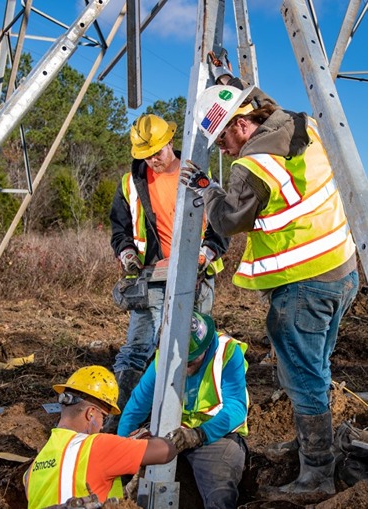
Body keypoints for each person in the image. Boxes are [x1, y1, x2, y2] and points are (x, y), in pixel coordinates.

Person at [179, 52, 359, 502]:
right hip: (342, 271)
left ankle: (316, 473)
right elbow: (256, 99)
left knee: (303, 377)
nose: (224, 151)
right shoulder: (294, 122)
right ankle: (308, 446)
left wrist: (206, 188)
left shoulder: (254, 164)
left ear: (241, 125)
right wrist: (226, 78)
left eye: (223, 141)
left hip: (305, 284)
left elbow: (227, 219)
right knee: (314, 366)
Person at [106, 114, 229, 432]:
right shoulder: (131, 183)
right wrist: (127, 253)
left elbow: (222, 222)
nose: (152, 159)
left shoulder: (198, 174)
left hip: (196, 275)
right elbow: (119, 228)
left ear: (170, 142)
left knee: (191, 350)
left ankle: (189, 418)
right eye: (145, 155)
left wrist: (205, 254)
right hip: (150, 277)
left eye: (157, 152)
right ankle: (122, 416)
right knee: (136, 348)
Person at [118, 311, 249, 509]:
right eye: (178, 363)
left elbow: (237, 407)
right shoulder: (164, 357)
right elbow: (136, 406)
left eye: (190, 363)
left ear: (205, 348)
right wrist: (122, 451)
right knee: (133, 486)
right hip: (170, 433)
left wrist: (198, 435)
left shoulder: (227, 352)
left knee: (219, 493)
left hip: (215, 435)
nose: (184, 369)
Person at [23, 365, 177, 509]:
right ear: (90, 413)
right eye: (103, 416)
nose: (102, 426)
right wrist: (130, 445)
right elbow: (167, 450)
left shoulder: (32, 469)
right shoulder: (97, 446)